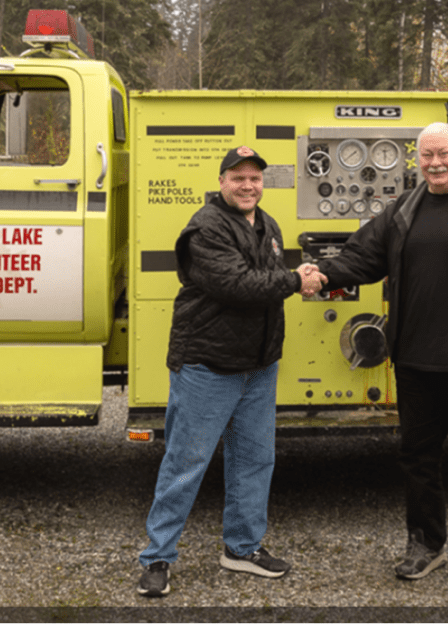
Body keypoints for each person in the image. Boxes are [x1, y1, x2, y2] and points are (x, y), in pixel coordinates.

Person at [310, 122, 448, 595]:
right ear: (417, 162)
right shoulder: (402, 210)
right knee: (418, 459)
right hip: (416, 361)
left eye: (443, 154)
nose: (435, 163)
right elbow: (362, 258)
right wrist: (319, 275)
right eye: (426, 156)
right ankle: (426, 545)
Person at [137, 145, 326, 597]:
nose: (247, 186)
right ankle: (157, 558)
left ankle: (242, 549)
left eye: (255, 178)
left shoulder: (268, 225)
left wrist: (303, 281)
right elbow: (236, 285)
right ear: (221, 181)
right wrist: (296, 280)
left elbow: (269, 284)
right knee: (186, 463)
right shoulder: (205, 229)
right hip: (208, 363)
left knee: (255, 460)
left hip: (258, 365)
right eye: (238, 177)